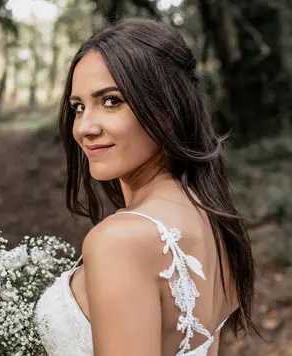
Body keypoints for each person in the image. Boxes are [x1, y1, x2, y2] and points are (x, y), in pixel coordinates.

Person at [34, 18, 256, 355]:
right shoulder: (212, 217)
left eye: (111, 101)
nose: (84, 127)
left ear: (167, 109)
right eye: (78, 107)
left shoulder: (119, 242)